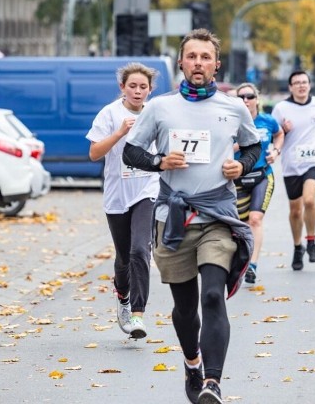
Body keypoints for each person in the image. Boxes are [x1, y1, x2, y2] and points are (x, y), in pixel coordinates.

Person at [122, 28, 260, 404]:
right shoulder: (160, 108)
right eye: (192, 56)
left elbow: (253, 148)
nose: (198, 63)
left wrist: (239, 167)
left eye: (205, 57)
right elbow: (130, 153)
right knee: (185, 309)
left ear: (216, 65)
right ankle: (192, 362)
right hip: (173, 218)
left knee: (213, 296)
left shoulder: (233, 108)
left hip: (218, 214)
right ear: (181, 62)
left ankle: (213, 383)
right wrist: (159, 161)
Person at [86, 62, 160, 340]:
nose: (138, 91)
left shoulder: (154, 113)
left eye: (143, 87)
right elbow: (94, 153)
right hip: (117, 193)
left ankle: (138, 314)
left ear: (150, 90)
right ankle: (123, 295)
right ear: (122, 88)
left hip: (146, 189)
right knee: (124, 256)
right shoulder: (110, 113)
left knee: (141, 250)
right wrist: (119, 132)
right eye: (133, 86)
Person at [271, 70, 315, 271]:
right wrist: (283, 130)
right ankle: (298, 247)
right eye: (297, 83)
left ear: (309, 85)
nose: (301, 86)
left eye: (304, 82)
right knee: (295, 211)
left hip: (314, 161)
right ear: (290, 87)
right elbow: (274, 135)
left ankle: (311, 241)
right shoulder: (280, 109)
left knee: (309, 200)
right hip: (291, 164)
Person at [233, 82, 283, 284]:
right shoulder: (229, 122)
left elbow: (279, 133)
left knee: (255, 219)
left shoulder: (267, 121)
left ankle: (252, 265)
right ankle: (241, 260)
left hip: (262, 175)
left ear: (257, 99)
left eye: (250, 96)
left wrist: (276, 150)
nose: (246, 100)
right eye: (241, 97)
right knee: (239, 225)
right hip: (236, 177)